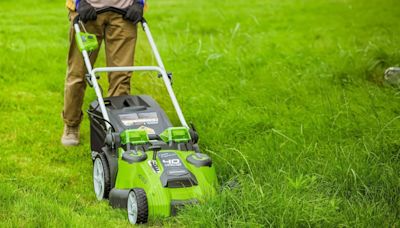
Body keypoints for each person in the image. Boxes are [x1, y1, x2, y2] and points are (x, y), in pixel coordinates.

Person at [62, 0, 144, 146]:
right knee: (78, 73)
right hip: (87, 12)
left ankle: (115, 127)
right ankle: (71, 124)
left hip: (125, 13)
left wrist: (139, 2)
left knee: (121, 76)